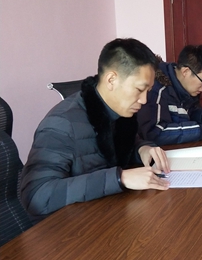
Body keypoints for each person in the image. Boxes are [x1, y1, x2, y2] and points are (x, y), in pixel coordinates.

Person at [20, 38, 171, 222]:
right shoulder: (62, 123)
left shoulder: (120, 113)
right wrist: (119, 178)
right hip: (71, 229)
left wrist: (143, 149)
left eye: (148, 91)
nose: (144, 100)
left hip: (107, 216)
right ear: (111, 80)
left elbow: (124, 146)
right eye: (140, 89)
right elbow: (36, 196)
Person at [137, 44, 202, 145]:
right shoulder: (156, 87)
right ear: (186, 71)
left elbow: (190, 113)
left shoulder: (187, 86)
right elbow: (154, 134)